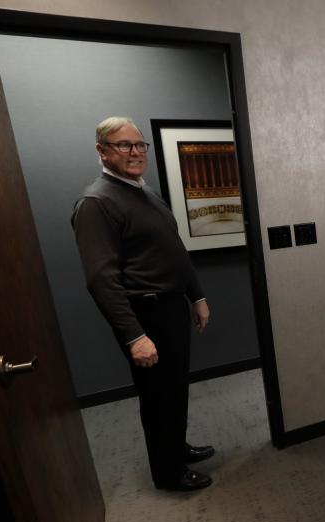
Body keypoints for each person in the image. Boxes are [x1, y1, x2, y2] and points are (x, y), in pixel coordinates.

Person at [72, 116, 215, 491]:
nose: (135, 152)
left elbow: (175, 249)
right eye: (124, 145)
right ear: (101, 150)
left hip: (171, 307)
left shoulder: (144, 192)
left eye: (139, 145)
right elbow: (101, 280)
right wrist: (134, 336)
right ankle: (168, 473)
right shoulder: (96, 202)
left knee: (175, 387)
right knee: (157, 396)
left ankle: (176, 448)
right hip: (145, 313)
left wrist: (196, 295)